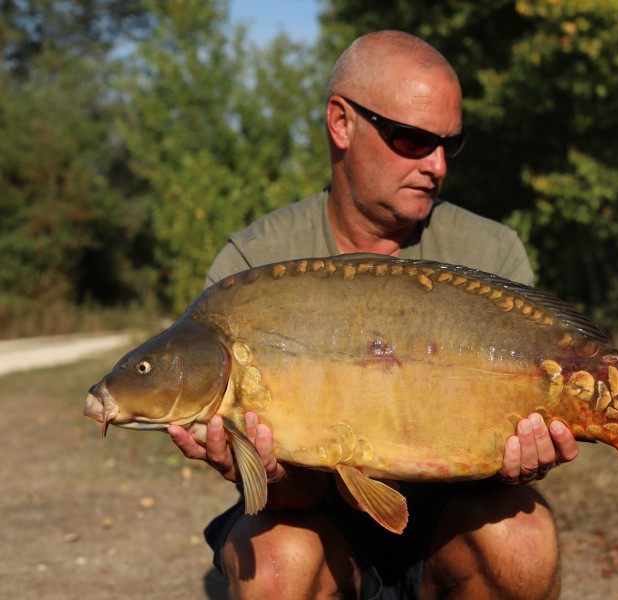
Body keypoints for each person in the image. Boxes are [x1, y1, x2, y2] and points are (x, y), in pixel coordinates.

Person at [168, 30, 579, 600]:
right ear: (341, 122)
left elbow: (505, 462)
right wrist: (261, 469)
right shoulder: (251, 268)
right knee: (277, 564)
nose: (436, 165)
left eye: (449, 145)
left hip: (447, 522)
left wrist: (525, 459)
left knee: (524, 546)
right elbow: (289, 501)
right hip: (321, 525)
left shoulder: (490, 254)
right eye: (412, 139)